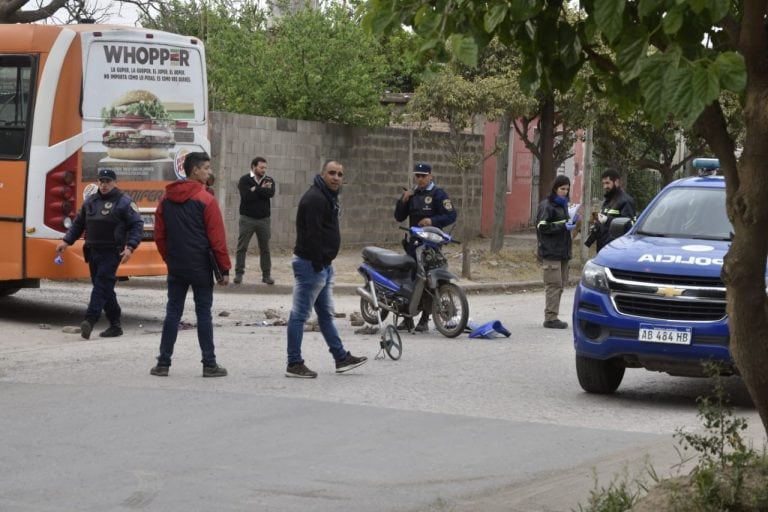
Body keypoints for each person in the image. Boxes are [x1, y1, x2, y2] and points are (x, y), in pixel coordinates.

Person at [150, 152, 231, 378]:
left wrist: (170, 258)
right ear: (195, 170)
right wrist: (224, 269)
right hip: (201, 267)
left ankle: (163, 363)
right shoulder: (206, 200)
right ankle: (209, 364)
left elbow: (159, 236)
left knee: (172, 313)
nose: (209, 172)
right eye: (206, 168)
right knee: (203, 314)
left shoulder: (165, 199)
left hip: (177, 266)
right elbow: (217, 239)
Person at [286, 160, 367, 378]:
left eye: (340, 174)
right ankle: (294, 363)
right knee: (299, 315)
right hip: (311, 265)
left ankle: (341, 358)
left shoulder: (327, 197)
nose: (336, 178)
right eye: (331, 173)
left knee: (325, 316)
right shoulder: (315, 199)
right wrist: (318, 262)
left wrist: (324, 263)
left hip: (321, 266)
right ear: (322, 174)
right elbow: (313, 235)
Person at [56, 169, 143, 340]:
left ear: (115, 183)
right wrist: (66, 242)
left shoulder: (124, 202)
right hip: (92, 250)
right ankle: (115, 325)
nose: (104, 184)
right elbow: (78, 224)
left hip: (112, 252)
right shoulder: (91, 201)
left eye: (108, 181)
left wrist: (130, 247)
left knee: (101, 285)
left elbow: (136, 225)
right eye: (101, 181)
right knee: (104, 287)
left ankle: (90, 319)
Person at [393, 162, 457, 332]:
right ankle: (407, 317)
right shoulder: (412, 194)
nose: (420, 179)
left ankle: (424, 319)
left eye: (423, 176)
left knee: (430, 281)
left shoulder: (438, 194)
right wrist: (403, 200)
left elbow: (451, 215)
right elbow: (399, 217)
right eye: (417, 176)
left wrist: (432, 221)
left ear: (430, 176)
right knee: (409, 280)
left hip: (431, 245)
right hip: (413, 245)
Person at [536, 174, 578, 329]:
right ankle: (550, 318)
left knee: (560, 285)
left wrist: (572, 222)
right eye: (562, 188)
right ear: (555, 188)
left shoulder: (564, 205)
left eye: (567, 189)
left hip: (563, 251)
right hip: (551, 251)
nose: (565, 192)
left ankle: (553, 315)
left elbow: (562, 224)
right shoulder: (547, 205)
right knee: (553, 285)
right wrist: (562, 226)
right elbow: (542, 227)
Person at [234, 157, 275, 285]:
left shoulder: (269, 180)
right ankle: (239, 274)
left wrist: (256, 189)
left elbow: (270, 193)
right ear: (253, 166)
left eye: (265, 168)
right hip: (247, 219)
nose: (264, 170)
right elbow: (246, 197)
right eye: (261, 167)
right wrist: (262, 190)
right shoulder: (244, 180)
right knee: (242, 247)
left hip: (264, 220)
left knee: (265, 249)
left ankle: (266, 275)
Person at [589, 169, 637, 253]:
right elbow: (603, 224)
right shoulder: (608, 201)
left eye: (607, 183)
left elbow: (629, 226)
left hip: (616, 248)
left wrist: (607, 220)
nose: (605, 187)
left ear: (617, 182)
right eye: (603, 183)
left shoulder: (626, 201)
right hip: (603, 247)